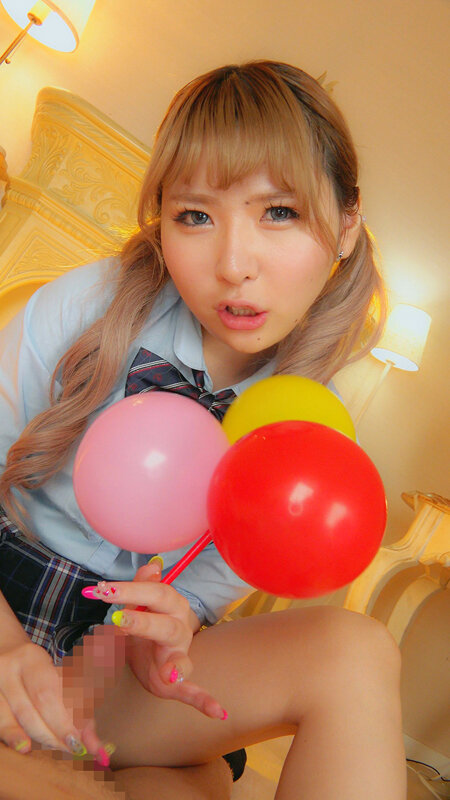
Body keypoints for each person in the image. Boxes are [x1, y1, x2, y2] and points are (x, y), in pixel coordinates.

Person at [0, 60, 406, 799]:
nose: (234, 265)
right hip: (5, 596)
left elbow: (202, 599)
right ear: (161, 222)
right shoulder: (89, 307)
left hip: (113, 667)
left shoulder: (305, 426)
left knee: (356, 652)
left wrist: (177, 624)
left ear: (348, 224)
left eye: (278, 213)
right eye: (195, 216)